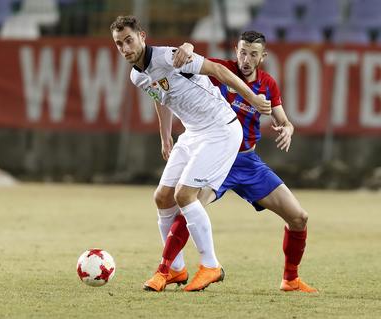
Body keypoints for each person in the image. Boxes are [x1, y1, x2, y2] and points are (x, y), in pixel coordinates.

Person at [143, 31, 318, 293]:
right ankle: (167, 270)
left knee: (299, 217)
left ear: (263, 57)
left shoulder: (267, 84)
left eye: (253, 54)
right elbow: (187, 60)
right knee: (189, 203)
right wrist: (188, 45)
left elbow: (283, 120)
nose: (246, 59)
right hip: (217, 155)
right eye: (243, 52)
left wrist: (288, 128)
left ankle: (290, 279)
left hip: (248, 162)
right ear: (236, 50)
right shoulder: (222, 70)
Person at [110, 16, 271, 292]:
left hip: (220, 129)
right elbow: (161, 97)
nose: (125, 48)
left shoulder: (170, 56)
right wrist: (165, 135)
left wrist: (252, 99)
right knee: (161, 197)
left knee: (184, 195)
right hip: (193, 133)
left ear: (142, 36)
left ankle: (211, 266)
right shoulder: (136, 75)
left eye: (129, 40)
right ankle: (176, 270)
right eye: (119, 44)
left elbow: (219, 72)